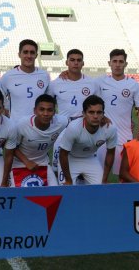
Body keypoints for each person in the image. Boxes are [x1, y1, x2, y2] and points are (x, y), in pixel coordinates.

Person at [49, 49, 98, 182]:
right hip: (63, 128)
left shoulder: (92, 83)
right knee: (58, 163)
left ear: (83, 63)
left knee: (84, 157)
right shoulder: (55, 83)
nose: (75, 63)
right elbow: (48, 104)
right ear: (67, 62)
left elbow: (99, 106)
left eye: (78, 60)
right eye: (72, 60)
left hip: (86, 128)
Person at [96, 49, 139, 175]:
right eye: (115, 61)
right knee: (100, 174)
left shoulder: (133, 85)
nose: (117, 64)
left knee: (124, 174)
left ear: (125, 64)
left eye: (121, 61)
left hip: (125, 136)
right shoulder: (99, 82)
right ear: (109, 63)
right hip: (102, 134)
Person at [59, 95, 117, 185]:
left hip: (90, 158)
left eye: (99, 112)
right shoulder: (74, 128)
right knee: (66, 189)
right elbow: (63, 154)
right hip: (70, 158)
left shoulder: (110, 128)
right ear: (84, 113)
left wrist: (104, 179)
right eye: (91, 112)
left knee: (102, 188)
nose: (95, 116)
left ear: (103, 114)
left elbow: (111, 153)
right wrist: (69, 180)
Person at [12, 94, 67, 187]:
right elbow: (11, 147)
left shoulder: (62, 122)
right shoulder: (22, 124)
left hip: (43, 163)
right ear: (35, 111)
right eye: (42, 109)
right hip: (19, 164)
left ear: (54, 112)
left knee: (54, 193)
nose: (45, 113)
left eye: (50, 110)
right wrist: (27, 162)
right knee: (19, 196)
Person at [1, 39, 51, 121]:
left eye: (32, 52)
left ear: (36, 55)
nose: (29, 56)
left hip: (38, 127)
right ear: (19, 54)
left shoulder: (44, 76)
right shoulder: (8, 76)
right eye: (25, 52)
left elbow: (49, 100)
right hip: (16, 128)